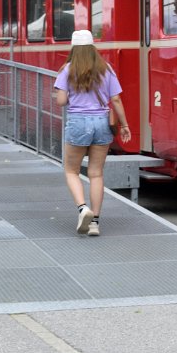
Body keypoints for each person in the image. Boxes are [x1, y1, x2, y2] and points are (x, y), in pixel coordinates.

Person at [54, 29, 130, 237]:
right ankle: (95, 222)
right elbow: (116, 99)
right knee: (96, 173)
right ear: (92, 47)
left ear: (73, 48)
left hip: (78, 122)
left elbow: (61, 101)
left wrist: (68, 95)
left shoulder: (67, 69)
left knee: (71, 171)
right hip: (101, 122)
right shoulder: (106, 69)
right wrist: (124, 125)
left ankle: (82, 209)